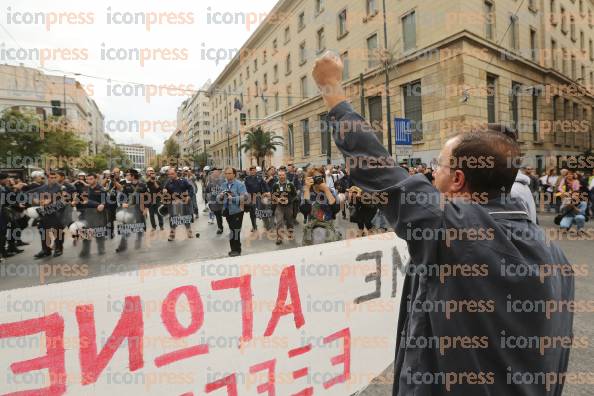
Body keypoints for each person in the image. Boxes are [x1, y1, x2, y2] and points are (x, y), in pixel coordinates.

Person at [312, 51, 574, 395]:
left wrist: (332, 90)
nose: (432, 172)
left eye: (440, 164)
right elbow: (556, 355)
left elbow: (376, 166)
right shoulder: (558, 259)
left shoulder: (453, 228)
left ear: (458, 179)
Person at [28, 171, 67, 258]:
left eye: (54, 177)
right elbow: (28, 193)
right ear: (47, 178)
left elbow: (65, 200)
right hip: (44, 213)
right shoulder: (42, 187)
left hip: (57, 213)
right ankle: (45, 250)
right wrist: (35, 200)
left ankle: (58, 249)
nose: (52, 179)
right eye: (50, 177)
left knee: (57, 231)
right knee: (43, 231)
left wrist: (52, 201)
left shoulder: (61, 187)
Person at [301, 166, 341, 245]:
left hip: (328, 224)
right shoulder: (307, 192)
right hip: (312, 225)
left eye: (320, 177)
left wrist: (326, 190)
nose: (317, 180)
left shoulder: (330, 191)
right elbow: (305, 210)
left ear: (324, 178)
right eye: (315, 178)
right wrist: (307, 188)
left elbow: (336, 209)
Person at [75, 173, 107, 258]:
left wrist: (102, 205)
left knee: (99, 231)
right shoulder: (84, 189)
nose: (89, 180)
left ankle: (101, 248)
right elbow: (79, 199)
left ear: (96, 179)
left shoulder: (101, 189)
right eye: (87, 179)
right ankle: (85, 250)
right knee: (85, 231)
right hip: (86, 212)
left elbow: (105, 201)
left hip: (97, 213)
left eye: (91, 179)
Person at [115, 169, 148, 252]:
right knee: (126, 226)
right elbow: (122, 197)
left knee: (140, 226)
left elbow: (148, 198)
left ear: (133, 176)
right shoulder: (126, 186)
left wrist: (146, 209)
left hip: (140, 208)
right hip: (129, 208)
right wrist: (123, 203)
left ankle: (139, 241)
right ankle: (122, 246)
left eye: (128, 175)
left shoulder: (143, 186)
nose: (126, 176)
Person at [218, 167, 247, 256]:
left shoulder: (240, 184)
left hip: (237, 211)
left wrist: (233, 198)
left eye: (229, 173)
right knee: (232, 230)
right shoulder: (223, 185)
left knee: (235, 230)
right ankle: (233, 249)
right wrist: (221, 196)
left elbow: (245, 197)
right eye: (226, 173)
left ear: (234, 174)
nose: (227, 175)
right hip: (227, 211)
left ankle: (237, 250)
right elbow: (218, 198)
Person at [162, 167, 195, 241]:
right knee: (173, 218)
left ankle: (189, 232)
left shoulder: (183, 181)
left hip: (183, 203)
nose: (170, 175)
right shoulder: (168, 182)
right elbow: (164, 193)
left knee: (185, 217)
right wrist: (164, 192)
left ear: (176, 173)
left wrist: (189, 196)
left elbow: (191, 188)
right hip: (173, 203)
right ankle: (172, 235)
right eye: (169, 174)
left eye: (172, 174)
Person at [271, 169, 297, 245]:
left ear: (285, 175)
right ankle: (279, 237)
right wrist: (278, 199)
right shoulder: (275, 185)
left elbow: (294, 195)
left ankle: (290, 233)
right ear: (278, 176)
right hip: (279, 206)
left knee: (289, 221)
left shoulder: (290, 184)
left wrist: (288, 200)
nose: (281, 176)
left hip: (289, 206)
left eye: (283, 175)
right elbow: (273, 195)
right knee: (279, 221)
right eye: (280, 175)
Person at [243, 165, 266, 232]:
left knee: (261, 210)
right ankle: (254, 226)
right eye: (251, 170)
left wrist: (266, 193)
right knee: (252, 212)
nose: (253, 171)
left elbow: (264, 185)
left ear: (256, 171)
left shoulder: (260, 178)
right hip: (251, 196)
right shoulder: (247, 178)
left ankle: (265, 223)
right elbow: (245, 188)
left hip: (259, 196)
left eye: (254, 170)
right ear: (250, 171)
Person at [206, 167, 225, 233]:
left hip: (223, 200)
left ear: (219, 173)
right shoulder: (210, 182)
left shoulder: (223, 181)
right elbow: (208, 191)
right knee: (218, 214)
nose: (215, 174)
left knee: (226, 214)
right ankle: (220, 228)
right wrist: (209, 201)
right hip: (215, 201)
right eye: (214, 173)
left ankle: (231, 227)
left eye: (217, 173)